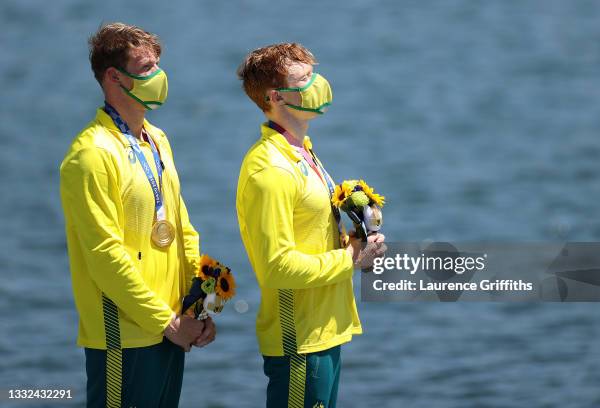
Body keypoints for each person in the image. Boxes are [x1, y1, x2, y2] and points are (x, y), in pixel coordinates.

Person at [59, 23, 215, 408]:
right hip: (125, 337)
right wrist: (166, 322)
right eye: (146, 68)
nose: (159, 76)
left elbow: (183, 231)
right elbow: (104, 256)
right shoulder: (90, 154)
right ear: (114, 77)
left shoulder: (157, 139)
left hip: (169, 330)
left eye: (158, 65)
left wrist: (196, 306)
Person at [236, 43, 386, 408]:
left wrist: (353, 237)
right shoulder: (269, 169)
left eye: (313, 74)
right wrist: (350, 258)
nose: (316, 83)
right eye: (303, 79)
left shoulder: (302, 151)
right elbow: (276, 267)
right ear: (275, 97)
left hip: (324, 332)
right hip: (298, 340)